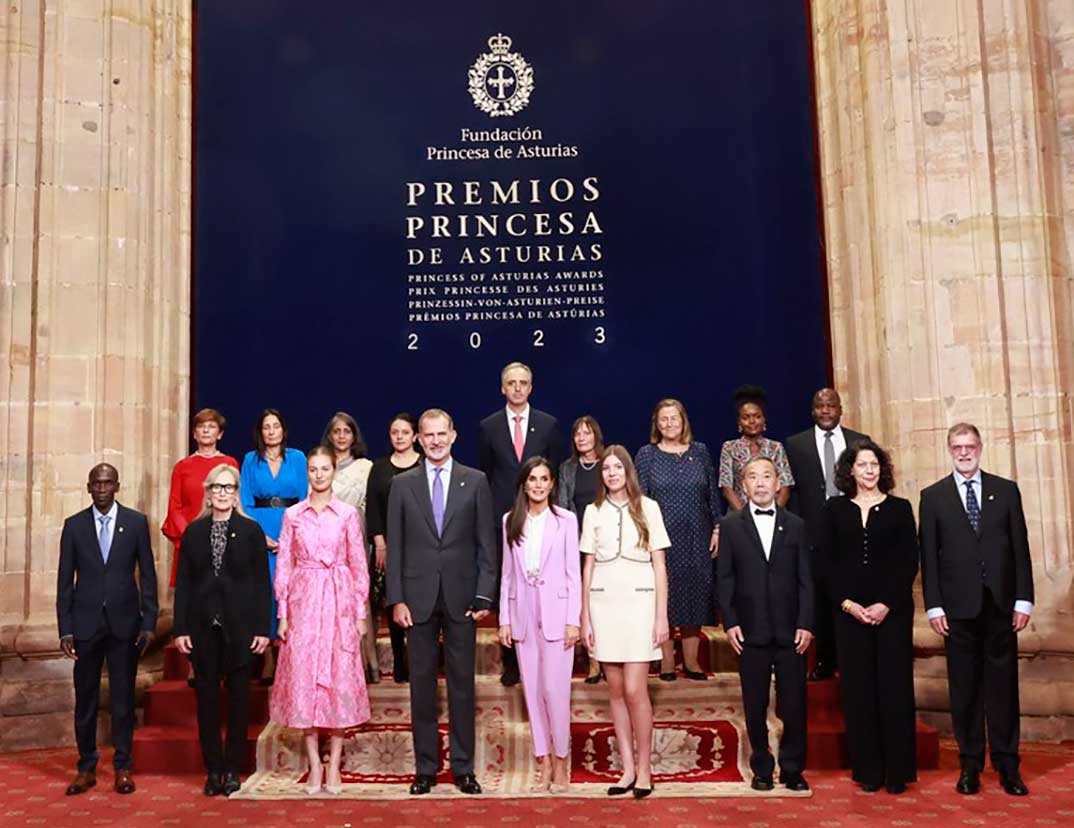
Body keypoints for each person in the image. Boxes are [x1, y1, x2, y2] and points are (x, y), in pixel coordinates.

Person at [387, 408, 498, 796]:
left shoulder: (476, 481)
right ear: (418, 438)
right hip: (415, 600)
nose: (435, 441)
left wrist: (485, 593)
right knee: (420, 685)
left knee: (462, 686)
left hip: (462, 598)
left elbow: (488, 543)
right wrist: (396, 598)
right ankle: (426, 768)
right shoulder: (402, 485)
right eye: (428, 435)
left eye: (441, 434)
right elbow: (395, 548)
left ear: (453, 436)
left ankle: (464, 769)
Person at [919, 423, 1034, 797]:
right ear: (949, 450)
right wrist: (933, 605)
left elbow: (1020, 547)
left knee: (1003, 689)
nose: (964, 453)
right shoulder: (933, 496)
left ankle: (1007, 765)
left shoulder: (1005, 490)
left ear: (980, 447)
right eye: (957, 447)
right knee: (965, 690)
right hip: (957, 610)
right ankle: (970, 765)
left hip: (1000, 605)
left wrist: (1024, 598)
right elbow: (929, 559)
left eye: (970, 446)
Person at [270, 446, 371, 796]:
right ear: (307, 473)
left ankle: (335, 763)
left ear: (333, 472)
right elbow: (284, 563)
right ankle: (314, 763)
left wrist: (360, 614)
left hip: (339, 600)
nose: (318, 475)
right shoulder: (294, 515)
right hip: (304, 600)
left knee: (339, 679)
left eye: (324, 469)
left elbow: (359, 565)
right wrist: (282, 613)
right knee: (306, 681)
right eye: (313, 469)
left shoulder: (346, 515)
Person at [819, 441, 917, 794]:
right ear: (850, 471)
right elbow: (826, 564)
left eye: (875, 464)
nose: (870, 470)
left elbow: (908, 562)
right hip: (849, 615)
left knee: (893, 688)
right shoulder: (834, 510)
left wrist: (885, 604)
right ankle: (869, 771)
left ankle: (897, 771)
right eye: (862, 465)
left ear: (882, 470)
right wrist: (848, 604)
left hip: (891, 613)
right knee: (859, 691)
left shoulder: (900, 509)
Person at [56, 463, 158, 796]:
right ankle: (86, 767)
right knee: (85, 700)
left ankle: (123, 767)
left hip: (124, 624)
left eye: (107, 483)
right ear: (88, 487)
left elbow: (148, 576)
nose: (102, 488)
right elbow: (64, 583)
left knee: (122, 700)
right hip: (85, 625)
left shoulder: (135, 522)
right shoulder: (73, 526)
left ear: (117, 486)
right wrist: (65, 628)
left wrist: (149, 621)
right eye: (96, 483)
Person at [174, 464, 271, 797]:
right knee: (207, 701)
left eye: (229, 488)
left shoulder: (250, 531)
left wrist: (263, 628)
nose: (222, 493)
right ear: (208, 491)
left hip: (241, 627)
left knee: (240, 701)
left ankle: (233, 769)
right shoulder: (194, 532)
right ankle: (213, 769)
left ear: (236, 492)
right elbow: (184, 584)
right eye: (217, 487)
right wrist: (181, 628)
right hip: (202, 628)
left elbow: (262, 583)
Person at [580, 445, 671, 799]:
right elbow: (587, 566)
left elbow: (660, 564)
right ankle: (627, 769)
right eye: (606, 469)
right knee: (615, 690)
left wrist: (661, 615)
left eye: (618, 467)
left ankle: (646, 768)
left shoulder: (649, 508)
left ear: (628, 471)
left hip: (640, 603)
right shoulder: (593, 511)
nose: (612, 473)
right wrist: (584, 615)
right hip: (604, 603)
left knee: (636, 689)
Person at [717, 456, 812, 792]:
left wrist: (806, 623)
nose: (760, 483)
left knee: (795, 703)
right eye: (752, 477)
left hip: (791, 632)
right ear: (743, 485)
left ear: (777, 483)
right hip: (750, 631)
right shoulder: (730, 526)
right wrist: (729, 622)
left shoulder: (797, 525)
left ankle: (792, 769)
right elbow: (725, 578)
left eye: (766, 476)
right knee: (755, 704)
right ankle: (761, 766)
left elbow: (805, 579)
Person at [479, 361, 564, 686]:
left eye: (523, 382)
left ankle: (545, 656)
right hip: (506, 519)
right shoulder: (488, 427)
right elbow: (488, 474)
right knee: (512, 589)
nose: (517, 388)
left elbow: (552, 472)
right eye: (511, 383)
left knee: (543, 585)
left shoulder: (547, 424)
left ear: (531, 387)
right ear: (503, 388)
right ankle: (513, 662)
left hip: (542, 516)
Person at [499, 457, 581, 793]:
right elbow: (506, 575)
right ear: (524, 484)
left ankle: (562, 760)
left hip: (557, 613)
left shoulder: (566, 521)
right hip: (523, 614)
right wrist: (504, 619)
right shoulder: (510, 520)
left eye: (544, 479)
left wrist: (573, 620)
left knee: (555, 691)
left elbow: (573, 575)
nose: (538, 485)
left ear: (552, 484)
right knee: (532, 692)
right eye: (532, 479)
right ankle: (543, 760)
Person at [784, 388, 870, 681]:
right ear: (813, 410)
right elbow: (792, 492)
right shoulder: (796, 445)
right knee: (819, 597)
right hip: (813, 532)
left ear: (840, 408)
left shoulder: (860, 441)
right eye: (820, 406)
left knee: (852, 592)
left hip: (851, 529)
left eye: (830, 405)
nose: (825, 411)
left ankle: (851, 658)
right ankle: (824, 659)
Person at [635, 399, 722, 681]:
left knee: (696, 595)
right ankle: (667, 662)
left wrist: (717, 528)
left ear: (684, 421)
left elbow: (712, 494)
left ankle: (692, 662)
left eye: (674, 418)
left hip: (698, 535)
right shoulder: (647, 455)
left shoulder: (701, 452)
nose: (670, 423)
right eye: (664, 419)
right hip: (662, 539)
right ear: (656, 424)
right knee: (665, 597)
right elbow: (640, 500)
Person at [239, 408, 307, 682]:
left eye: (275, 426)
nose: (271, 431)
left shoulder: (298, 458)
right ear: (260, 432)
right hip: (260, 529)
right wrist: (260, 537)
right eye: (266, 427)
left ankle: (290, 657)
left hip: (293, 528)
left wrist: (291, 535)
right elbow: (244, 500)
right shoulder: (249, 460)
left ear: (283, 430)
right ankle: (267, 658)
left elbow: (304, 496)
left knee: (291, 593)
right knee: (265, 593)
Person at [366, 412, 423, 683]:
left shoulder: (426, 464)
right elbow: (373, 509)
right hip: (389, 544)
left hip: (421, 544)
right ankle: (400, 660)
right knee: (394, 600)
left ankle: (420, 658)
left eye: (404, 432)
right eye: (394, 432)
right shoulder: (379, 468)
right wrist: (380, 543)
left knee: (420, 601)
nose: (399, 437)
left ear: (415, 436)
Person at [322, 411, 377, 683]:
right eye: (337, 431)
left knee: (359, 597)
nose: (342, 436)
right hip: (325, 540)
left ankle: (367, 663)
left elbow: (369, 506)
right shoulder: (321, 465)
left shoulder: (366, 467)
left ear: (354, 436)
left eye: (347, 431)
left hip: (355, 536)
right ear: (330, 436)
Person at [161, 408, 240, 588]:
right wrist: (192, 536)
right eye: (201, 426)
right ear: (194, 434)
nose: (205, 430)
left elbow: (235, 502)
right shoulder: (182, 467)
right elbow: (175, 507)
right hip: (190, 541)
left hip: (223, 539)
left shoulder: (230, 464)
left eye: (211, 426)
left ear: (219, 434)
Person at [557, 414, 606, 683]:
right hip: (578, 543)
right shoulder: (567, 468)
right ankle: (593, 662)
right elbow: (564, 506)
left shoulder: (609, 463)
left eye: (586, 433)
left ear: (596, 435)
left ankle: (610, 658)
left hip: (608, 543)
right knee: (585, 602)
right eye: (577, 434)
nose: (581, 438)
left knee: (605, 602)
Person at [718, 384, 794, 511]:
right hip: (739, 518)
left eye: (757, 416)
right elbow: (727, 488)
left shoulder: (776, 447)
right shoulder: (729, 447)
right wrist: (746, 519)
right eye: (746, 417)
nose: (752, 421)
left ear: (764, 420)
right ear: (739, 422)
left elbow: (786, 486)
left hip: (773, 516)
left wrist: (774, 515)